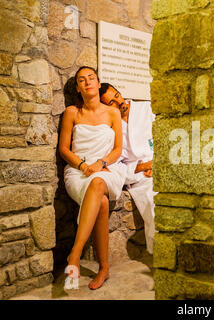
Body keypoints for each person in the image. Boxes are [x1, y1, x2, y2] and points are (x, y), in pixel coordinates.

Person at [59, 66, 126, 290]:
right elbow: (64, 149)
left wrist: (101, 164)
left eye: (91, 78)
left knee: (98, 182)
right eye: (81, 80)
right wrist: (82, 165)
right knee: (102, 202)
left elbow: (118, 149)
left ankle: (74, 255)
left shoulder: (112, 113)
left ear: (98, 83)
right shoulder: (72, 113)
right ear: (78, 88)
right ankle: (104, 268)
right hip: (78, 171)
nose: (87, 82)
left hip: (107, 169)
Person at [99, 83, 157, 254]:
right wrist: (144, 166)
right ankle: (165, 254)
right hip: (140, 177)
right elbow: (118, 165)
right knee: (156, 204)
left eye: (117, 95)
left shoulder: (146, 109)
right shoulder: (109, 129)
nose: (120, 102)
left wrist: (160, 162)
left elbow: (167, 135)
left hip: (163, 164)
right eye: (112, 102)